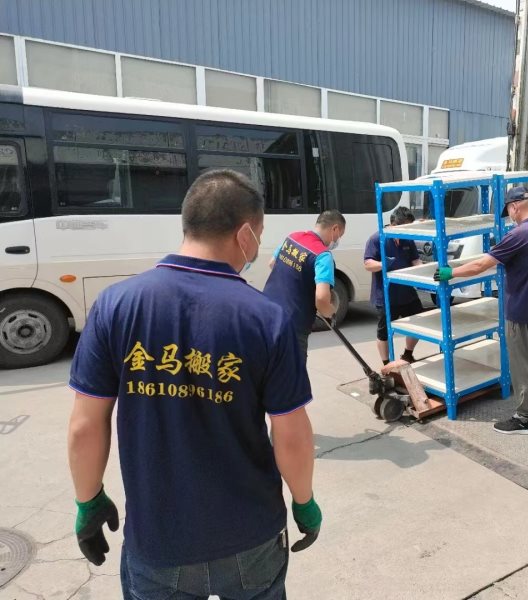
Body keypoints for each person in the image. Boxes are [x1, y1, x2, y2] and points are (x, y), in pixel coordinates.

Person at [67, 169, 321, 599]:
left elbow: (84, 425)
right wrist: (304, 502)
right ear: (245, 233)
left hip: (158, 542)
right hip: (251, 537)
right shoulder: (266, 318)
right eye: (259, 235)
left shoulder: (116, 305)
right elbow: (291, 433)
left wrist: (87, 500)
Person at [434, 186, 528, 434]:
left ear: (515, 207)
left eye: (509, 210)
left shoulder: (518, 234)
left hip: (522, 312)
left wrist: (452, 272)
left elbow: (481, 265)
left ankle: (525, 419)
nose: (510, 216)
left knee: (523, 365)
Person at [263, 210, 346, 361]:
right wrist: (330, 313)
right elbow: (321, 298)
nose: (337, 241)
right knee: (292, 372)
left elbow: (272, 264)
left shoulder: (292, 237)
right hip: (292, 324)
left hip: (266, 312)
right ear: (335, 229)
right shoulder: (323, 255)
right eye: (339, 236)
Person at [364, 206, 424, 365]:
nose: (407, 231)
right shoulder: (376, 239)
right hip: (386, 296)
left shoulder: (407, 239)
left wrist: (423, 269)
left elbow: (415, 260)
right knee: (384, 332)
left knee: (419, 324)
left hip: (407, 293)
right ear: (394, 224)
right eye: (405, 227)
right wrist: (383, 264)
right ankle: (387, 364)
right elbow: (368, 264)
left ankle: (407, 354)